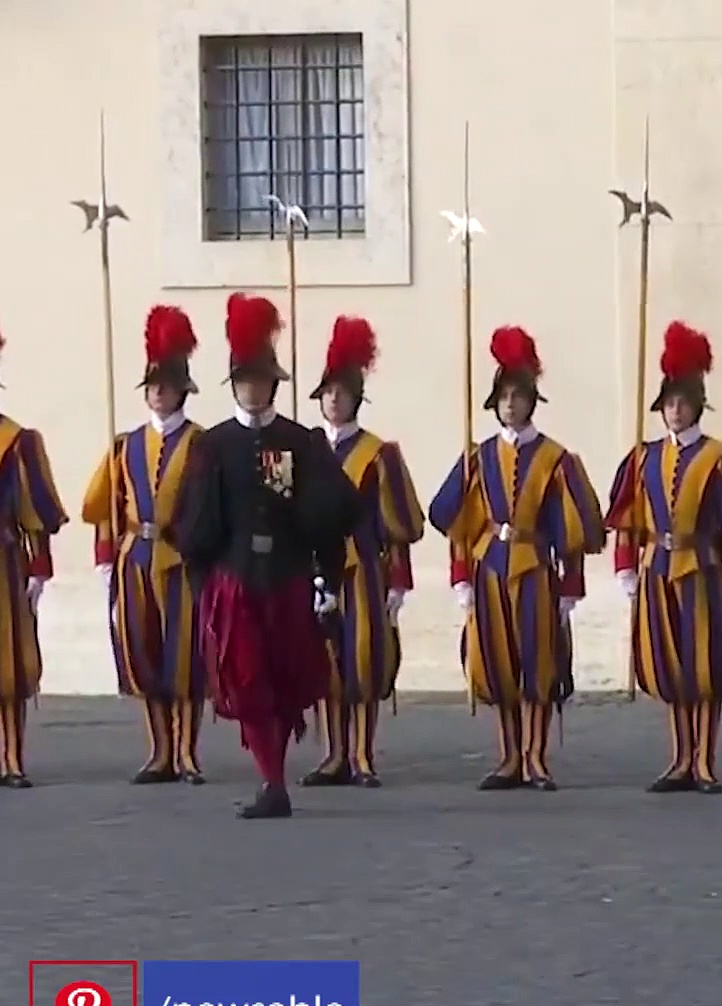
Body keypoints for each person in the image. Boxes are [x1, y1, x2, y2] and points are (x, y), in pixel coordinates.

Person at [175, 293, 358, 818]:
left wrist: (322, 565)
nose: (254, 390)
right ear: (234, 385)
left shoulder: (299, 441)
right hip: (236, 580)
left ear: (274, 385)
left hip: (288, 576)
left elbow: (334, 510)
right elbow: (197, 524)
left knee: (285, 682)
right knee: (248, 679)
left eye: (261, 381)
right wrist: (204, 581)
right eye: (245, 381)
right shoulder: (213, 445)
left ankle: (276, 776)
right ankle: (272, 782)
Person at [427, 326, 604, 791]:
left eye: (518, 396)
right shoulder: (479, 456)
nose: (510, 404)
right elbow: (455, 520)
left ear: (531, 401)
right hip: (490, 565)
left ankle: (535, 757)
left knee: (537, 663)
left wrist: (571, 587)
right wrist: (461, 576)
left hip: (535, 567)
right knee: (498, 665)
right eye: (503, 397)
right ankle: (508, 756)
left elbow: (573, 531)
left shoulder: (555, 458)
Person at [607, 321, 722, 793]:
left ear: (697, 405)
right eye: (668, 403)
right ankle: (679, 757)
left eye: (681, 403)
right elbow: (629, 518)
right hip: (658, 569)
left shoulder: (721, 459)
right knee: (672, 668)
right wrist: (625, 567)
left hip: (703, 570)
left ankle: (705, 760)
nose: (674, 411)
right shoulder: (644, 458)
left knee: (704, 667)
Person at [81, 305, 208, 785]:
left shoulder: (201, 444)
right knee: (145, 654)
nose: (158, 394)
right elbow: (103, 505)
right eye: (152, 387)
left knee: (187, 657)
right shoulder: (124, 445)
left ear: (182, 392)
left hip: (183, 560)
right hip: (135, 559)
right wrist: (103, 560)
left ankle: (188, 752)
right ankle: (159, 752)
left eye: (166, 387)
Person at [299, 315, 425, 789]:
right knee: (326, 664)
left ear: (355, 399)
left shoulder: (378, 453)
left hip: (364, 568)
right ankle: (333, 753)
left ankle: (362, 754)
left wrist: (399, 579)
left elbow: (397, 522)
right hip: (317, 571)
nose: (334, 399)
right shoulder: (307, 450)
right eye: (328, 392)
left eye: (342, 392)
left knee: (364, 662)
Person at [0, 326, 67, 788]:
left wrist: (39, 568)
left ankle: (11, 758)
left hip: (3, 566)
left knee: (8, 667)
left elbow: (35, 511)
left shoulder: (16, 441)